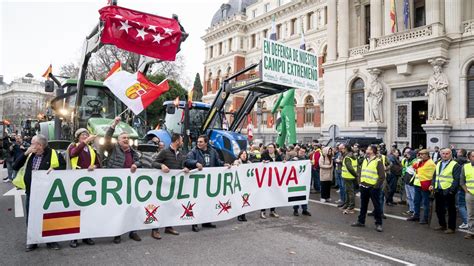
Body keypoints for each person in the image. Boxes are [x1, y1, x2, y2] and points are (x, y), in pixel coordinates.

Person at [13, 134, 66, 251]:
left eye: (32, 143)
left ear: (40, 145)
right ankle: (33, 240)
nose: (30, 145)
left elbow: (63, 166)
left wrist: (55, 169)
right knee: (31, 217)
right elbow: (15, 166)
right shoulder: (29, 154)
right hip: (31, 191)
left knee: (49, 216)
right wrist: (25, 154)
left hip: (47, 193)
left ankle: (51, 241)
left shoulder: (53, 154)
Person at [104, 117, 142, 243]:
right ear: (118, 141)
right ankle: (117, 233)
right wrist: (114, 124)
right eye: (123, 138)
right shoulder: (112, 149)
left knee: (132, 208)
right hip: (117, 186)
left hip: (130, 186)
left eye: (127, 138)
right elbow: (107, 139)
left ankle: (133, 231)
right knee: (118, 209)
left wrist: (136, 164)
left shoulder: (133, 152)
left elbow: (139, 161)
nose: (126, 140)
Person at [185, 135, 228, 231]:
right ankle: (194, 223)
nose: (198, 143)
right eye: (198, 142)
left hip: (209, 181)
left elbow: (217, 162)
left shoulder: (213, 151)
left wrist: (224, 164)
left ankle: (206, 221)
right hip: (198, 181)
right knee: (196, 202)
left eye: (200, 142)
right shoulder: (194, 151)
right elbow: (187, 161)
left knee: (208, 202)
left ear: (206, 143)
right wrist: (195, 163)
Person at [66, 128, 99, 248]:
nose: (85, 136)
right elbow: (73, 154)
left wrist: (94, 166)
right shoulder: (73, 146)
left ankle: (86, 235)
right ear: (78, 137)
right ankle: (73, 237)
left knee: (88, 210)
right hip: (76, 181)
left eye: (86, 135)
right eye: (82, 135)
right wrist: (84, 143)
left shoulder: (91, 149)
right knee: (76, 210)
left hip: (88, 182)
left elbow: (98, 164)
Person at [151, 133, 188, 238]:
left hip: (174, 185)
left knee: (171, 206)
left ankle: (168, 227)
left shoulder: (180, 155)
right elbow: (154, 163)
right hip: (163, 185)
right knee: (160, 206)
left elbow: (181, 166)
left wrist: (184, 169)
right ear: (177, 141)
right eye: (181, 140)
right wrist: (162, 165)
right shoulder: (164, 152)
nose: (182, 142)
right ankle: (155, 229)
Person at [351, 145, 385, 232]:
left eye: (368, 149)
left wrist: (376, 186)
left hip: (373, 187)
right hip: (364, 186)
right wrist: (360, 182)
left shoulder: (378, 161)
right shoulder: (365, 160)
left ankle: (379, 223)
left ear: (372, 151)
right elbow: (362, 171)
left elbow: (382, 176)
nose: (366, 150)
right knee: (363, 205)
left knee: (377, 206)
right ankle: (361, 221)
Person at [429, 148, 461, 234]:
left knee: (451, 210)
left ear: (450, 154)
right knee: (439, 209)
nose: (445, 155)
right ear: (440, 154)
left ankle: (451, 227)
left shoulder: (455, 165)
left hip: (448, 190)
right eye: (443, 153)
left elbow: (456, 179)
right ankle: (442, 225)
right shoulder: (438, 163)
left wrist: (451, 191)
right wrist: (432, 184)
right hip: (438, 189)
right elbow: (435, 176)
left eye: (447, 153)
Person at [406, 149, 436, 224]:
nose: (420, 156)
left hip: (425, 185)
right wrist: (418, 162)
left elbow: (433, 175)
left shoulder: (431, 163)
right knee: (416, 201)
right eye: (419, 154)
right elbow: (413, 166)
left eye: (422, 154)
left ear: (427, 155)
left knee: (425, 203)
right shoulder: (420, 161)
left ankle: (425, 218)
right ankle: (416, 216)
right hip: (417, 184)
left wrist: (432, 185)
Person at [259, 143, 282, 218]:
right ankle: (263, 211)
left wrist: (284, 163)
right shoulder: (264, 155)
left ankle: (272, 211)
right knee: (265, 195)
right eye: (269, 147)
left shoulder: (278, 155)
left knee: (274, 195)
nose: (270, 149)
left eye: (271, 147)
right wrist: (263, 163)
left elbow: (281, 164)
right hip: (266, 179)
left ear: (274, 148)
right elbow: (259, 164)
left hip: (275, 179)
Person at [292, 147, 311, 216]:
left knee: (304, 195)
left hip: (304, 180)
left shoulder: (306, 159)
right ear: (298, 151)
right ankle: (295, 210)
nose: (302, 153)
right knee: (296, 195)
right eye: (301, 151)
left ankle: (304, 210)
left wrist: (311, 163)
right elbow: (288, 165)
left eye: (303, 152)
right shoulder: (294, 158)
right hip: (296, 180)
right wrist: (292, 161)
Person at [340, 144, 358, 213]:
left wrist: (356, 175)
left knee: (350, 192)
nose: (342, 149)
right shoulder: (352, 155)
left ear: (346, 149)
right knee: (348, 191)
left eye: (343, 148)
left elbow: (349, 168)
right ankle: (347, 204)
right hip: (349, 176)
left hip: (348, 176)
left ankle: (351, 207)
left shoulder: (347, 157)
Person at [233, 150, 251, 221]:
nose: (244, 155)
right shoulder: (237, 162)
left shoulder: (249, 163)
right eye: (242, 154)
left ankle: (243, 215)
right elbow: (234, 168)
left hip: (246, 184)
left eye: (245, 154)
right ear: (240, 155)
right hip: (239, 184)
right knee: (239, 199)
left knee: (245, 199)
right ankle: (239, 215)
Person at [460, 151, 474, 239]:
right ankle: (471, 231)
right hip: (470, 194)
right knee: (470, 214)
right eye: (473, 156)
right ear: (469, 157)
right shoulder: (465, 166)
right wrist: (466, 191)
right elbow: (462, 181)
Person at [456, 149, 469, 229]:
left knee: (461, 205)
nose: (457, 153)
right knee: (468, 205)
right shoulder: (468, 162)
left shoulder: (457, 161)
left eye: (458, 152)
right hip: (469, 187)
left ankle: (466, 222)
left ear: (461, 153)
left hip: (462, 187)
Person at [401, 149, 417, 216]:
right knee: (409, 196)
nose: (406, 155)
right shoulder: (407, 161)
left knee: (413, 197)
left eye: (408, 154)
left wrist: (412, 181)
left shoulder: (415, 162)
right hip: (406, 181)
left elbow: (416, 172)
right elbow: (405, 169)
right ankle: (411, 209)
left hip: (411, 182)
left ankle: (415, 211)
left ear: (412, 155)